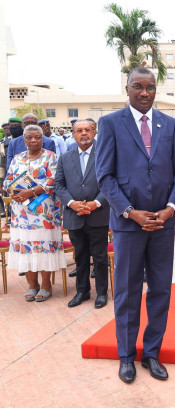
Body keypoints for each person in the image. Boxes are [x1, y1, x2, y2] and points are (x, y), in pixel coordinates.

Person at [96, 66, 175, 384]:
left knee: (160, 290)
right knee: (127, 291)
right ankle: (126, 356)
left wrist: (170, 209)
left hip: (162, 224)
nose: (144, 92)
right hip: (128, 225)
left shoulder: (170, 124)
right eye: (138, 86)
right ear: (127, 88)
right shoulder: (110, 124)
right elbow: (104, 176)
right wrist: (130, 211)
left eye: (150, 87)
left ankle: (151, 353)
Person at [4, 125, 66, 302]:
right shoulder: (17, 158)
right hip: (21, 214)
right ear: (24, 140)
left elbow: (53, 181)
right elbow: (8, 179)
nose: (33, 141)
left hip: (43, 213)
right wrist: (13, 192)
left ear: (42, 139)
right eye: (29, 138)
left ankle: (46, 285)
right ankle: (33, 285)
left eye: (37, 137)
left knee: (44, 249)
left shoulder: (51, 157)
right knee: (27, 248)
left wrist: (30, 193)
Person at [55, 120, 110, 309]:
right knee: (80, 257)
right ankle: (82, 292)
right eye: (79, 130)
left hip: (98, 214)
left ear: (94, 132)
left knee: (100, 257)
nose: (84, 133)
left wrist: (96, 203)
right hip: (74, 216)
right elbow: (59, 185)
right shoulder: (65, 158)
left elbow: (110, 182)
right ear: (73, 134)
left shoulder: (105, 155)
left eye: (87, 130)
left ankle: (101, 293)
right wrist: (72, 203)